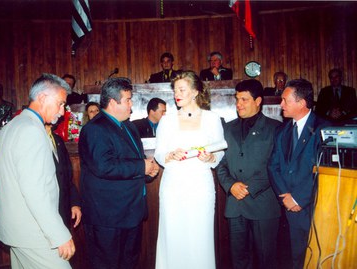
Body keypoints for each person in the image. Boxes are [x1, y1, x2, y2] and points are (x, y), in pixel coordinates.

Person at [0, 73, 75, 268]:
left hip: (17, 232)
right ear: (43, 98)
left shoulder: (11, 126)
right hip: (36, 234)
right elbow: (36, 193)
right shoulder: (33, 131)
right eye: (61, 104)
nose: (62, 111)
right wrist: (59, 235)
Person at [78, 77, 159, 269]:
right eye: (128, 100)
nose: (132, 105)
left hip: (131, 213)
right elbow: (104, 166)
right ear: (113, 102)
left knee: (129, 263)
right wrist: (141, 167)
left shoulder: (128, 125)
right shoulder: (95, 129)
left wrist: (148, 171)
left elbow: (131, 161)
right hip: (108, 218)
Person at [154, 71, 226, 269]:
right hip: (173, 185)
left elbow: (219, 152)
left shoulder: (212, 119)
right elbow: (159, 153)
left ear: (195, 92)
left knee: (198, 237)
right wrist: (169, 155)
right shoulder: (167, 120)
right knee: (173, 236)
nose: (177, 94)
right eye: (175, 90)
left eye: (182, 89)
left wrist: (210, 157)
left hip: (200, 185)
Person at [216, 79, 281, 269]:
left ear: (258, 101)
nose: (238, 104)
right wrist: (230, 185)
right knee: (239, 261)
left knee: (265, 260)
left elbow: (275, 165)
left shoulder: (275, 128)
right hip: (235, 205)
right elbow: (221, 163)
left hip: (263, 205)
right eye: (237, 99)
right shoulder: (227, 128)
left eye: (244, 99)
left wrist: (248, 188)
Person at [268, 79, 329, 269]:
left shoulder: (323, 128)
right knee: (292, 260)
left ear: (301, 103)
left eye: (285, 100)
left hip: (312, 207)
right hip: (286, 207)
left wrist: (298, 199)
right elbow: (273, 166)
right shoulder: (282, 130)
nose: (281, 105)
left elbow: (323, 172)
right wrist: (285, 197)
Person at [45, 123, 82, 230]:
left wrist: (74, 203)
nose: (61, 112)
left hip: (63, 210)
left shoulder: (58, 140)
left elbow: (67, 177)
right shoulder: (34, 140)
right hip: (47, 211)